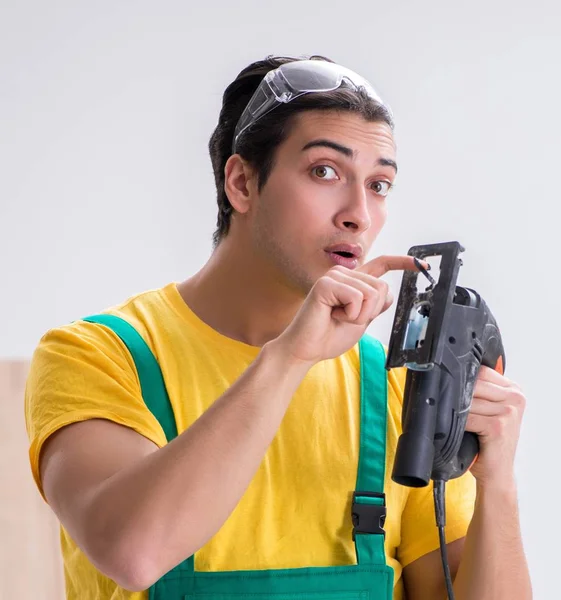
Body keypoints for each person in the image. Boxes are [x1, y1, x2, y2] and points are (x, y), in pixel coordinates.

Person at [24, 55, 532, 600]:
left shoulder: (386, 387)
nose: (359, 213)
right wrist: (290, 357)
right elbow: (135, 552)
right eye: (325, 172)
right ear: (242, 183)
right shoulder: (96, 356)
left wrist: (497, 481)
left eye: (380, 184)